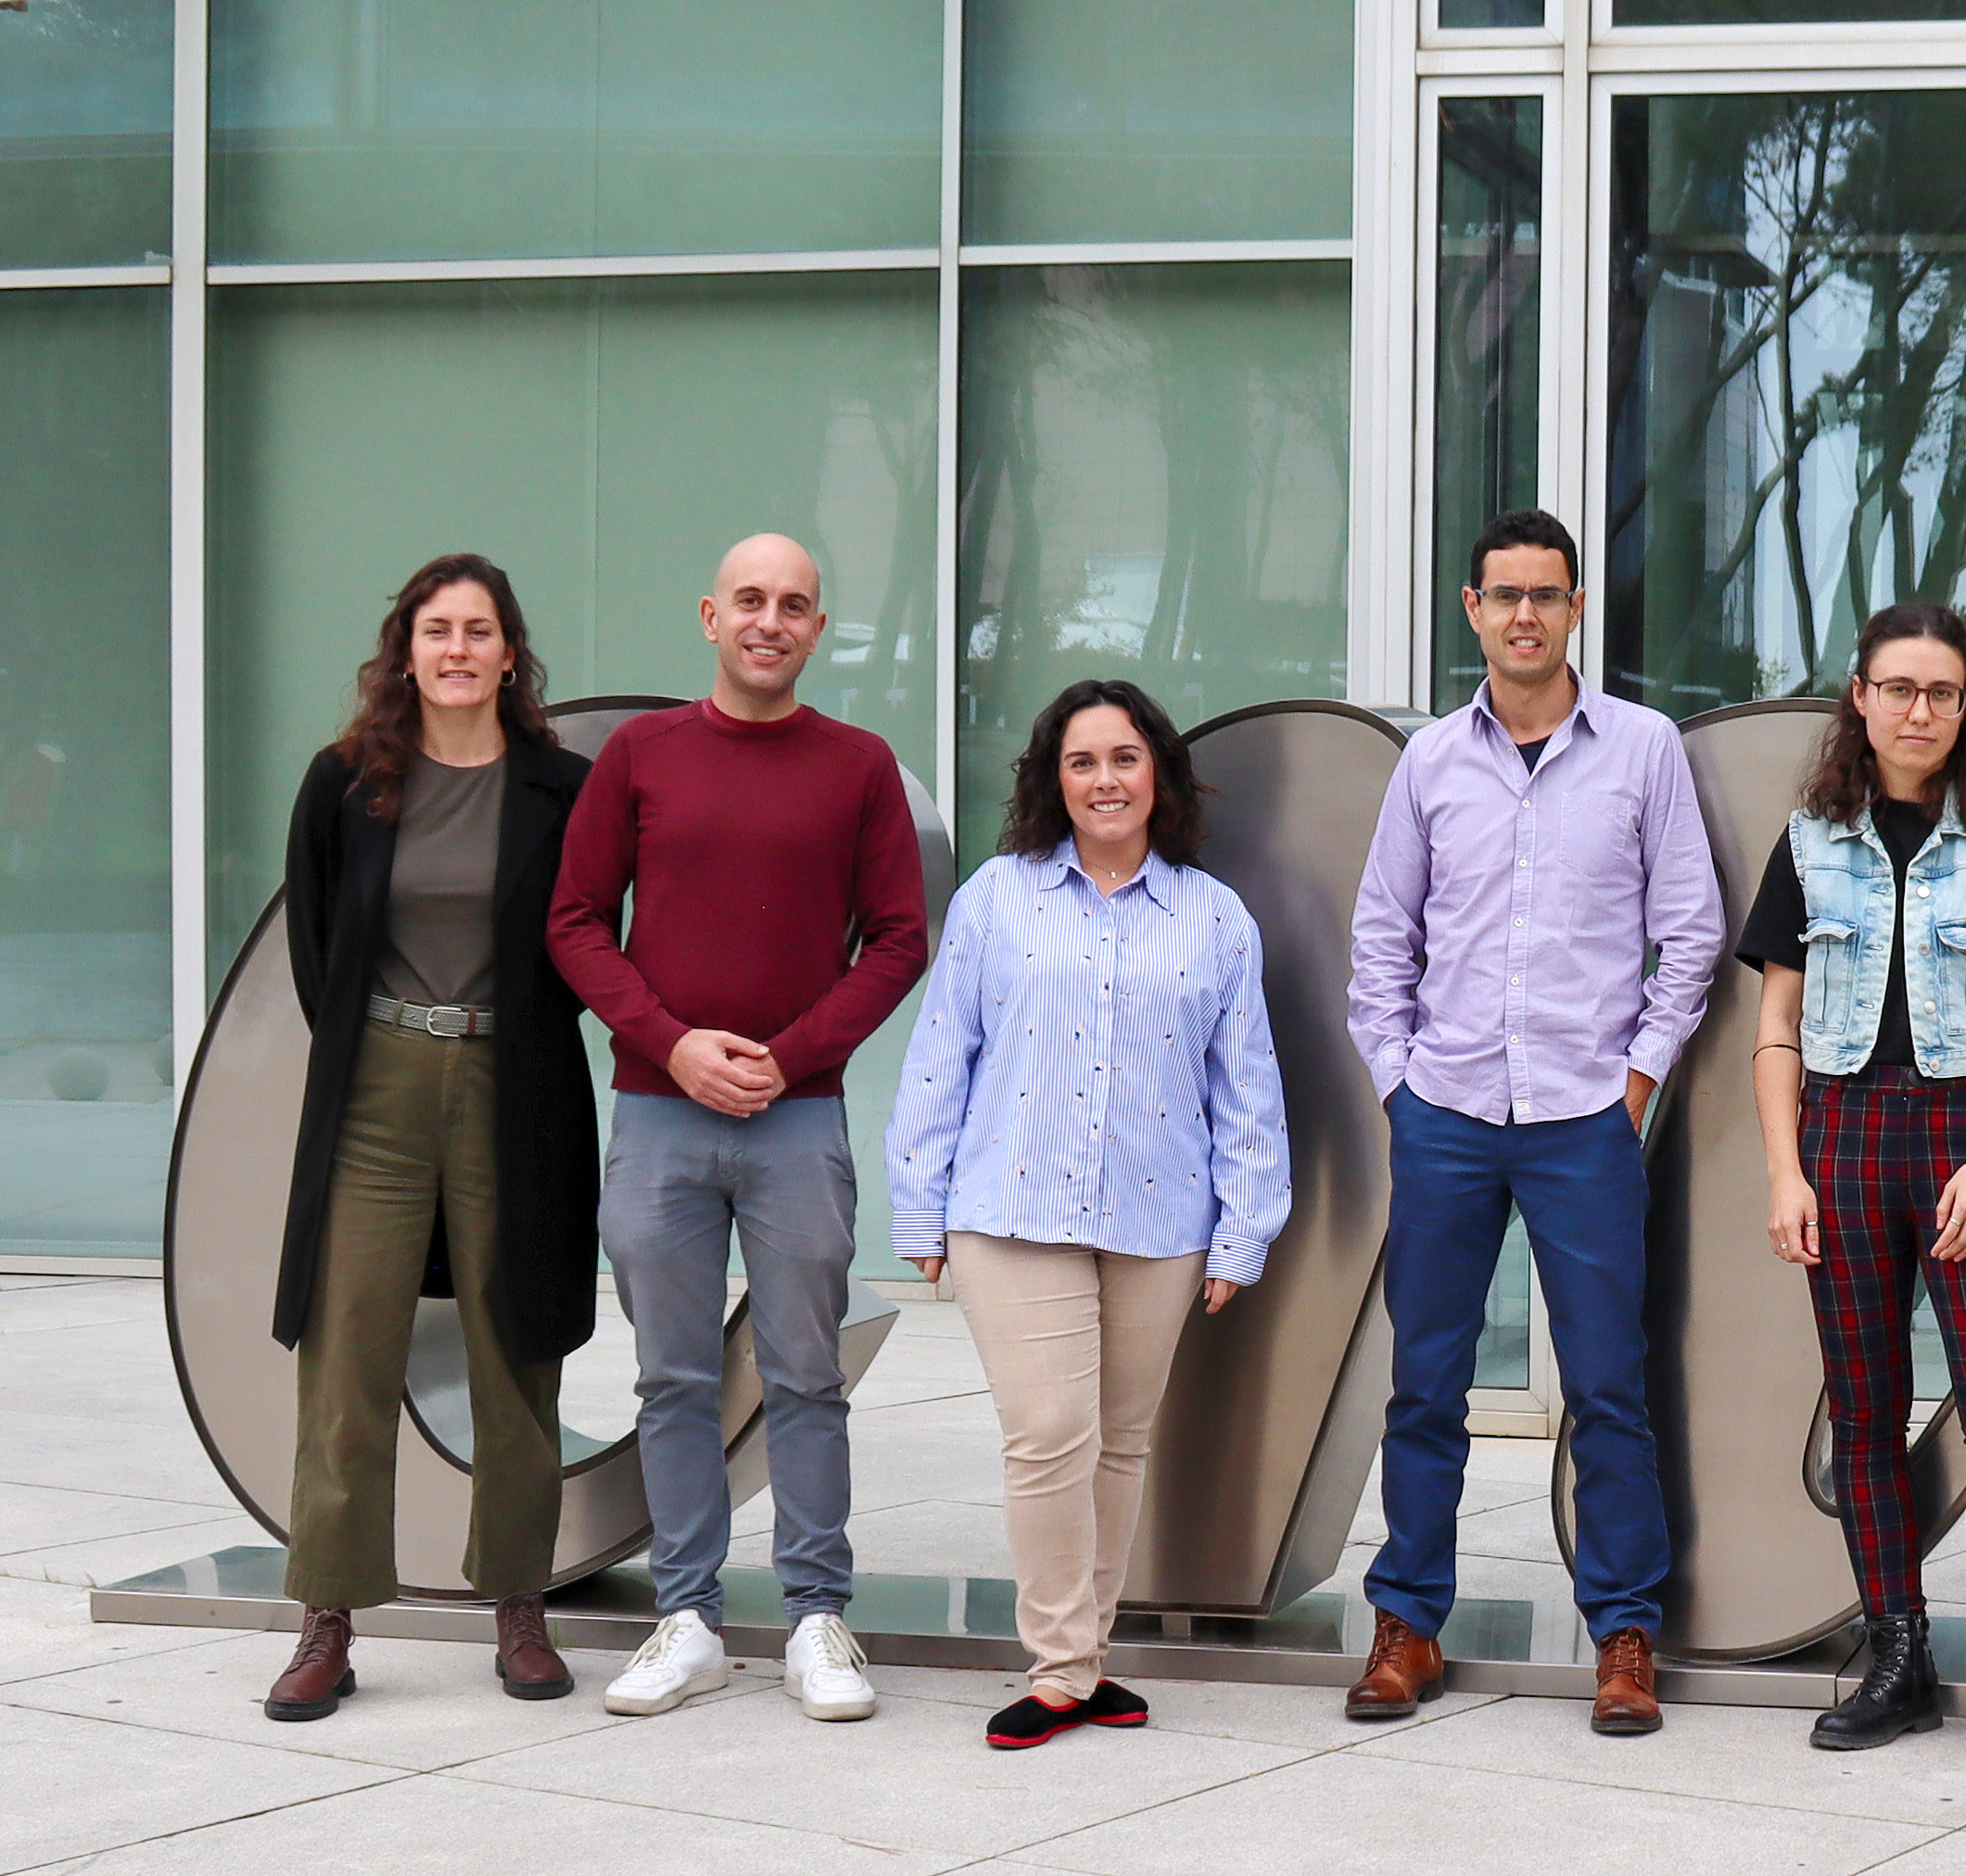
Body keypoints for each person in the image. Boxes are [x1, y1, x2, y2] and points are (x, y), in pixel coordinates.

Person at [1343, 509, 1723, 1736]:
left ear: (1573, 610)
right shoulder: (1428, 765)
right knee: (1424, 1384)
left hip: (1582, 1117)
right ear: (1471, 608)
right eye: (1501, 594)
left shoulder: (1643, 750)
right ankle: (1408, 1624)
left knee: (1609, 1384)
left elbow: (1693, 933)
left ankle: (1623, 1635)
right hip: (1446, 1110)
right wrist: (1397, 1082)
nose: (1522, 615)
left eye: (1544, 595)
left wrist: (1639, 1078)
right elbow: (1378, 941)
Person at [550, 535, 930, 1724]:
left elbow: (901, 939)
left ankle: (818, 1616)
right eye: (752, 600)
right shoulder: (639, 754)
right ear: (710, 614)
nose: (772, 619)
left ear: (819, 629)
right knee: (671, 1378)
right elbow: (573, 922)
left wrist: (793, 1053)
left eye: (797, 604)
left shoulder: (859, 765)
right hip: (659, 1114)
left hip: (795, 1119)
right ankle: (689, 1619)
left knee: (805, 1373)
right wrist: (672, 1042)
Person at [888, 680, 1289, 1752]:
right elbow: (942, 1057)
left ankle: (1088, 1658)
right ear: (1051, 781)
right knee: (1049, 1437)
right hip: (1010, 1210)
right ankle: (1061, 1665)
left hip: (1161, 1219)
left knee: (1119, 1444)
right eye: (1081, 762)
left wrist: (1246, 1226)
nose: (1104, 779)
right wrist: (918, 1205)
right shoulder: (996, 898)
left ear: (1157, 772)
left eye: (1123, 758)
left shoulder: (1214, 917)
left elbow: (1245, 1084)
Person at [1739, 604, 1966, 1766]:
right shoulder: (1810, 839)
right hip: (1841, 1135)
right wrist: (1787, 1171)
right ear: (1860, 695)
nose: (1919, 709)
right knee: (1867, 1412)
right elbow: (1776, 1021)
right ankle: (1896, 1655)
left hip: (1964, 1133)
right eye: (1899, 687)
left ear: (1965, 704)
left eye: (1942, 691)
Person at [258, 553, 602, 1721]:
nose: (457, 649)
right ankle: (327, 1617)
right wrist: (389, 1047)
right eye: (436, 629)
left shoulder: (563, 786)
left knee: (515, 1346)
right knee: (348, 1346)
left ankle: (518, 1603)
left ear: (512, 654)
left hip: (517, 1077)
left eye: (480, 630)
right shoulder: (345, 782)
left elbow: (590, 931)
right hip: (379, 1084)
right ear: (405, 649)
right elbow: (320, 952)